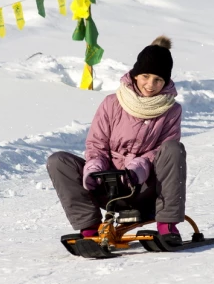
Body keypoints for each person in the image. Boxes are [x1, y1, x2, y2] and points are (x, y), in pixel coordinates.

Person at [47, 35, 186, 246]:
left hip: (144, 186)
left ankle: (167, 226)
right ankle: (90, 228)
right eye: (146, 76)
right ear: (135, 75)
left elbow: (160, 151)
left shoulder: (171, 110)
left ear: (165, 82)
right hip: (107, 184)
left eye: (158, 79)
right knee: (59, 161)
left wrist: (138, 167)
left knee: (173, 149)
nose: (150, 84)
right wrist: (95, 169)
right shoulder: (112, 103)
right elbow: (96, 145)